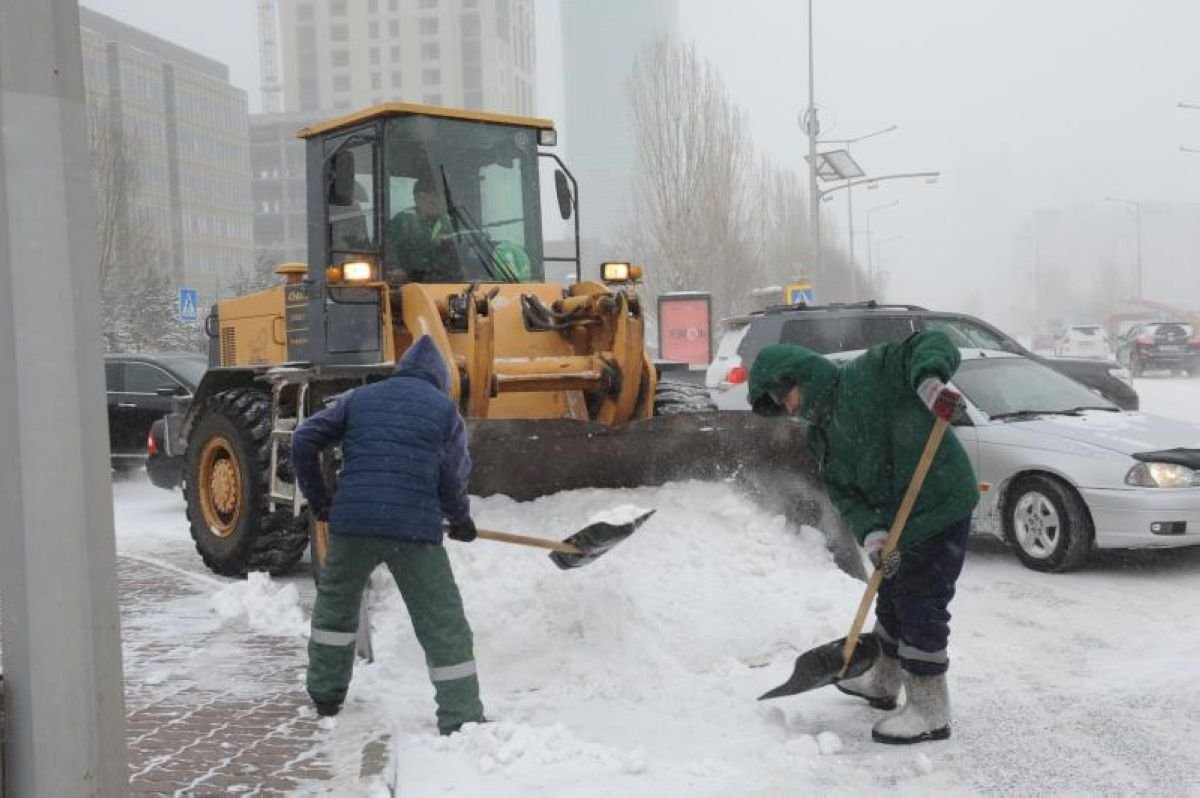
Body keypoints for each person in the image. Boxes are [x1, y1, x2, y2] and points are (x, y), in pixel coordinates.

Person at [748, 329, 979, 744]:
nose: (788, 409)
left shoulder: (871, 373)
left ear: (797, 378)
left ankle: (930, 709)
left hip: (940, 503)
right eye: (780, 408)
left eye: (785, 398)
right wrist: (874, 538)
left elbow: (932, 341)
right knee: (891, 597)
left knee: (921, 605)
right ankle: (883, 682)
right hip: (899, 525)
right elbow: (848, 496)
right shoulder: (822, 437)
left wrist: (930, 384)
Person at [291, 335, 485, 736]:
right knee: (441, 621)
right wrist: (460, 518)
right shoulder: (443, 410)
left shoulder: (359, 398)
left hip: (354, 524)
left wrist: (320, 497)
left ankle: (325, 695)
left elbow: (303, 439)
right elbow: (452, 475)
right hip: (414, 530)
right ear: (439, 378)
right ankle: (460, 715)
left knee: (335, 610)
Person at [385, 174, 460, 282]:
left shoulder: (450, 222)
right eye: (426, 196)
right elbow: (387, 247)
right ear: (416, 199)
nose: (433, 200)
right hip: (411, 283)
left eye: (437, 195)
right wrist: (395, 269)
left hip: (448, 282)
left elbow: (461, 254)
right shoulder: (403, 221)